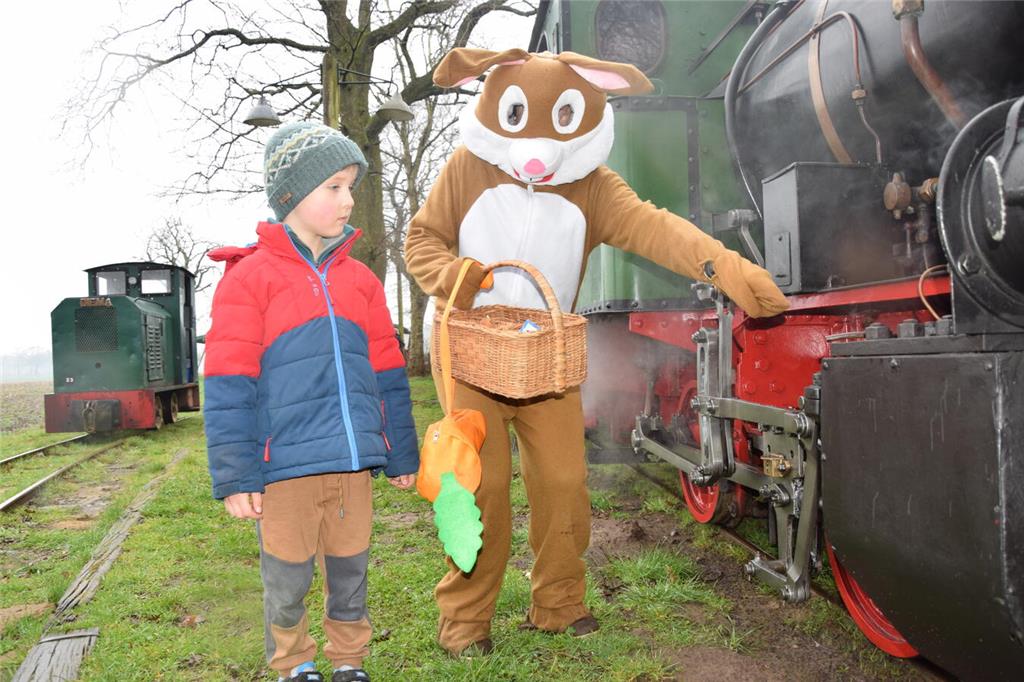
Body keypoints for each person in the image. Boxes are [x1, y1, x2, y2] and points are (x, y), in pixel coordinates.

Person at [405, 48, 788, 657]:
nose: (536, 144)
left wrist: (726, 266)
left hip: (547, 358)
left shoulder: (593, 186)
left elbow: (657, 228)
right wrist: (453, 276)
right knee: (481, 487)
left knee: (562, 481)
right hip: (472, 351)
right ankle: (466, 621)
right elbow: (421, 238)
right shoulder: (466, 167)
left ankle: (558, 603)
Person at [204, 121, 419, 682]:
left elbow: (389, 374)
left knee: (351, 573)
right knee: (288, 577)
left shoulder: (363, 282)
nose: (349, 200)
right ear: (292, 195)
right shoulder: (248, 280)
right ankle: (294, 663)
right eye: (334, 187)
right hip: (285, 469)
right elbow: (228, 385)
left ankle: (349, 662)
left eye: (351, 186)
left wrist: (402, 454)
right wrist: (236, 474)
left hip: (352, 465)